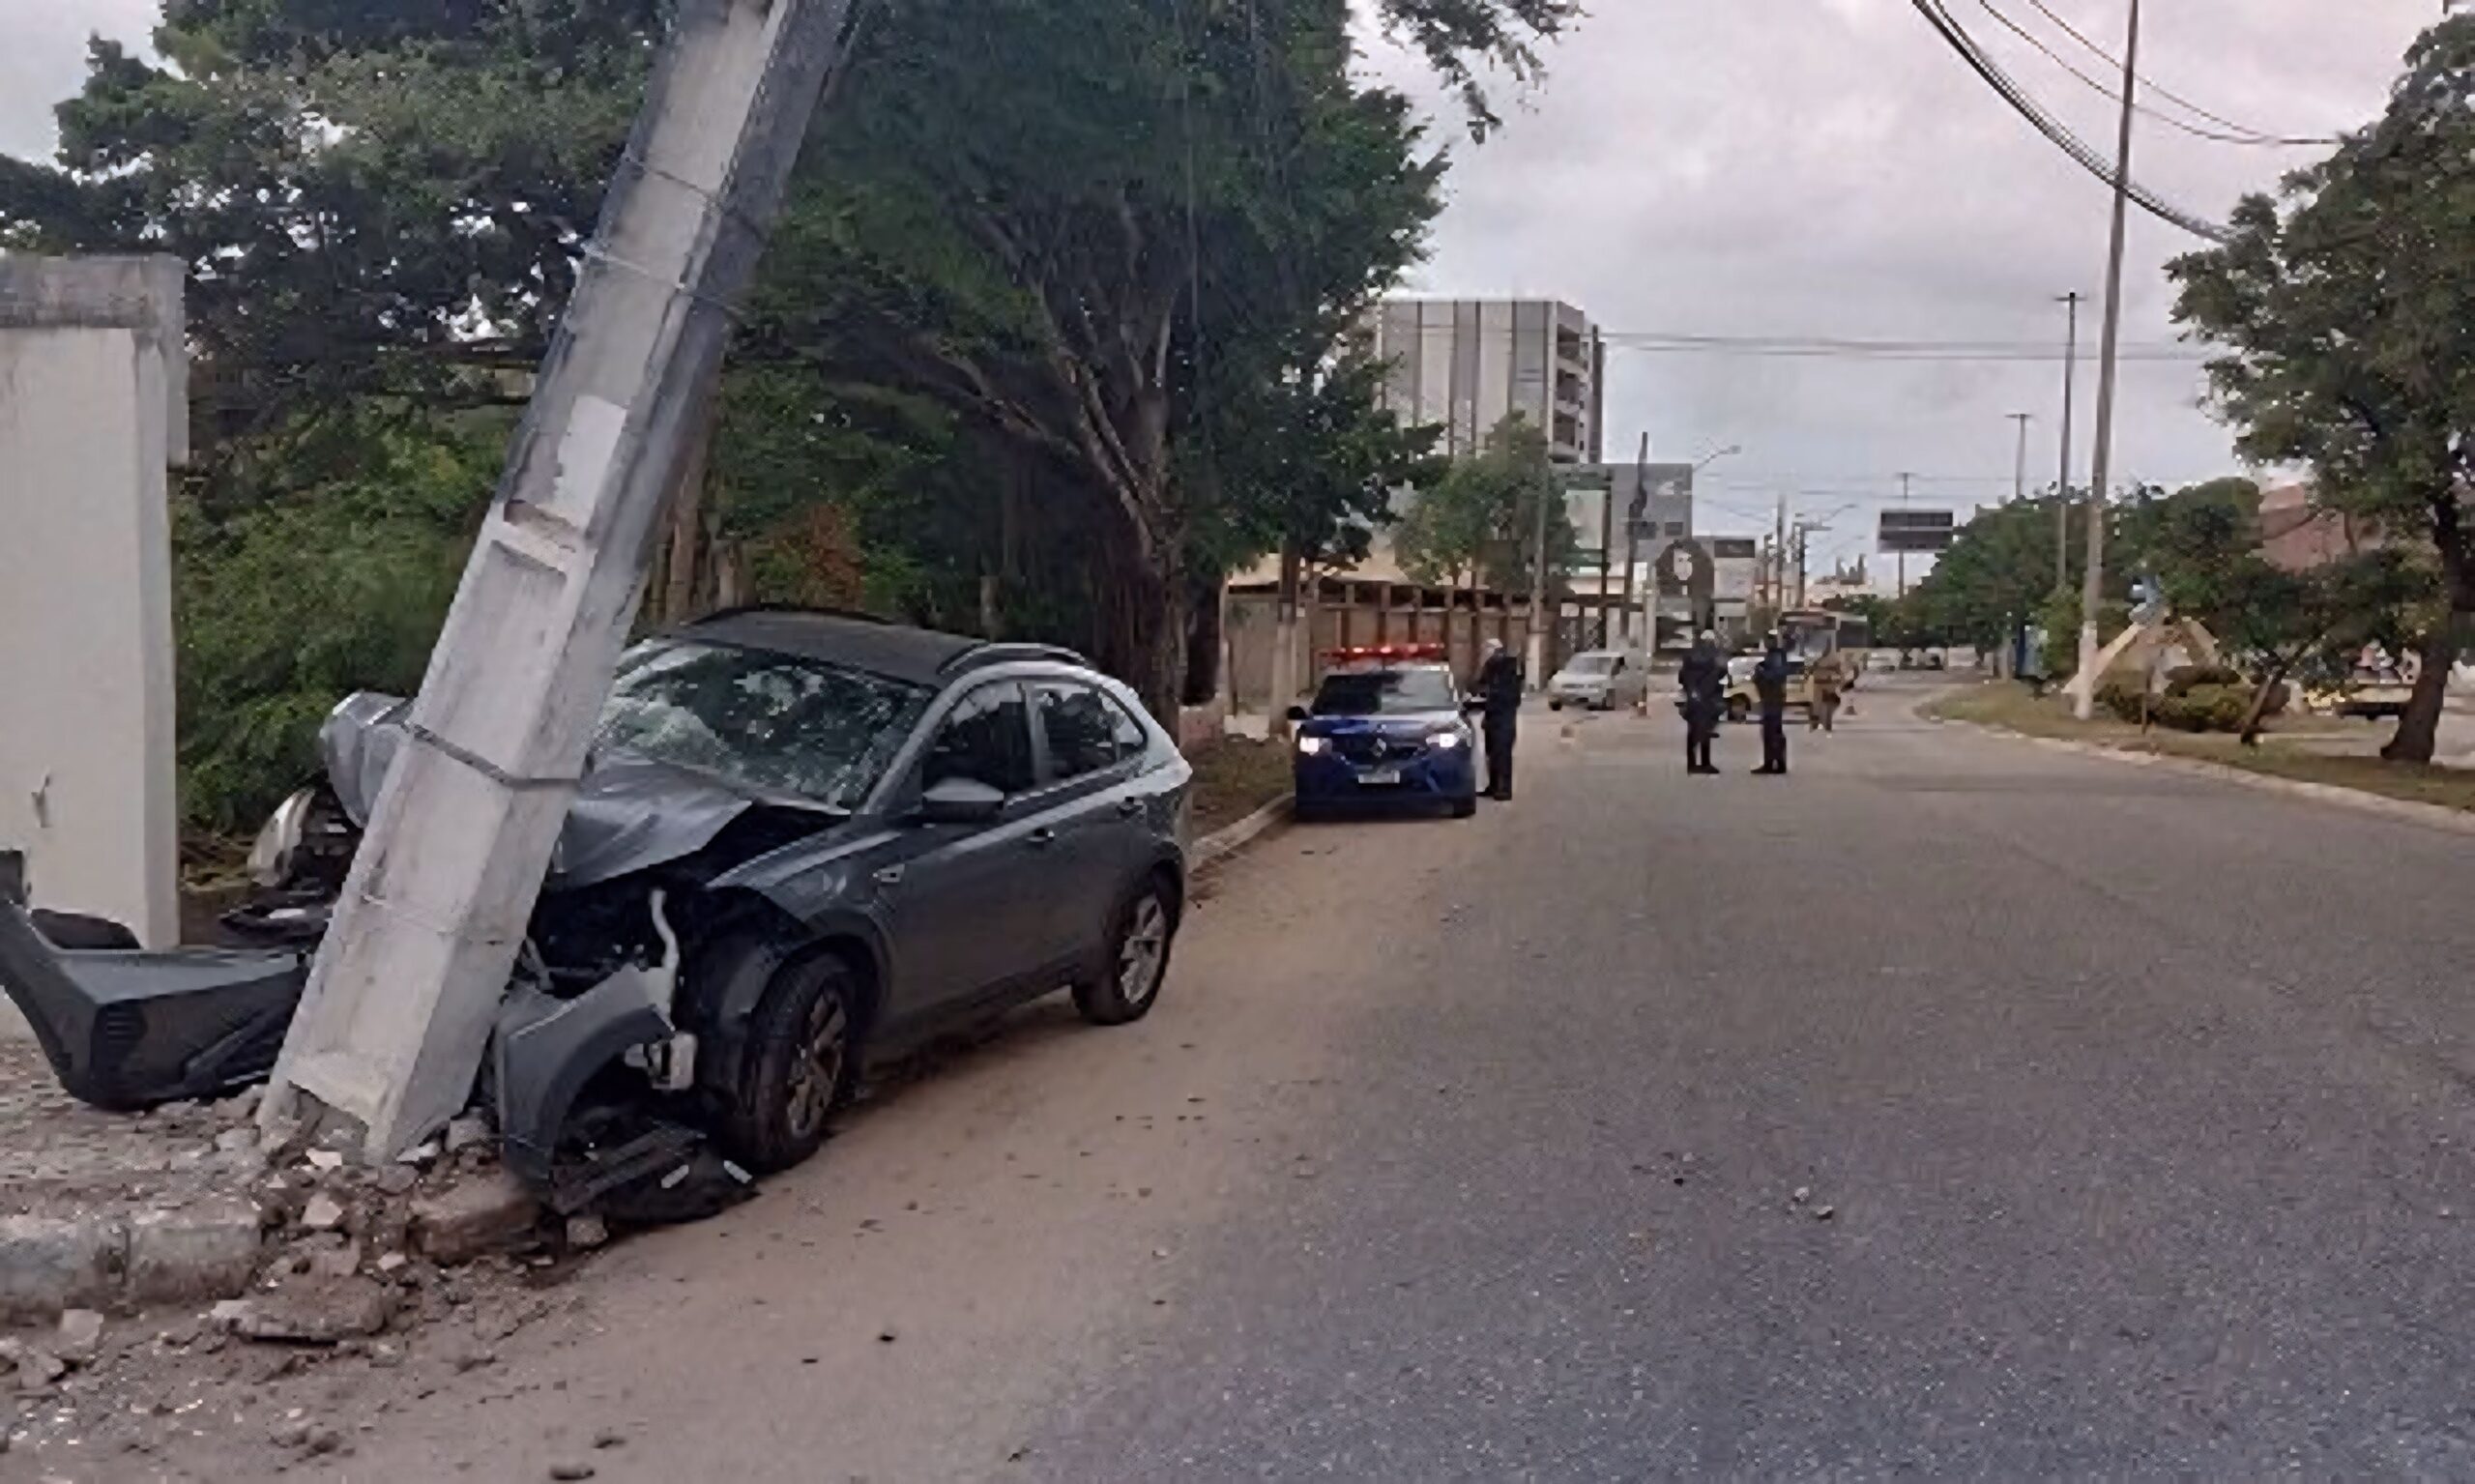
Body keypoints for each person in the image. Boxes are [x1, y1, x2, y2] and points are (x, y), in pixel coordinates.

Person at [1472, 638, 1524, 801]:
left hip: (1503, 719)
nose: (1483, 654)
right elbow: (1481, 685)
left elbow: (1509, 696)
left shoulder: (1505, 667)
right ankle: (1494, 786)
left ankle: (1504, 789)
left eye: (1485, 650)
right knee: (1492, 753)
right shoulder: (1493, 667)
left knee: (1502, 754)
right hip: (1493, 717)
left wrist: (1487, 699)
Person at [1677, 630, 1726, 775]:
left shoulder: (1690, 656)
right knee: (1705, 731)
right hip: (1708, 697)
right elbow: (1721, 672)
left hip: (1694, 699)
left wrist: (1691, 690)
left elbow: (1682, 677)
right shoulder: (1714, 656)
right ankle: (1705, 763)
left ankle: (1692, 764)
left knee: (1693, 731)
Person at [1752, 631, 1791, 775]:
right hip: (1770, 697)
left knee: (1772, 731)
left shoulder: (1777, 655)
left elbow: (1776, 675)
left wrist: (1762, 673)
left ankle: (1776, 763)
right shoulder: (1773, 655)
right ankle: (1774, 762)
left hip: (1773, 698)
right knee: (1770, 730)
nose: (1768, 642)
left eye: (1771, 639)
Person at [1808, 650, 1845, 734]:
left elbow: (1838, 670)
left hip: (1829, 684)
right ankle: (1816, 721)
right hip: (1818, 684)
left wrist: (1840, 683)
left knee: (1833, 702)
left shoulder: (1833, 657)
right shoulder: (1813, 655)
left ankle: (1823, 722)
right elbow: (1810, 670)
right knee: (1816, 703)